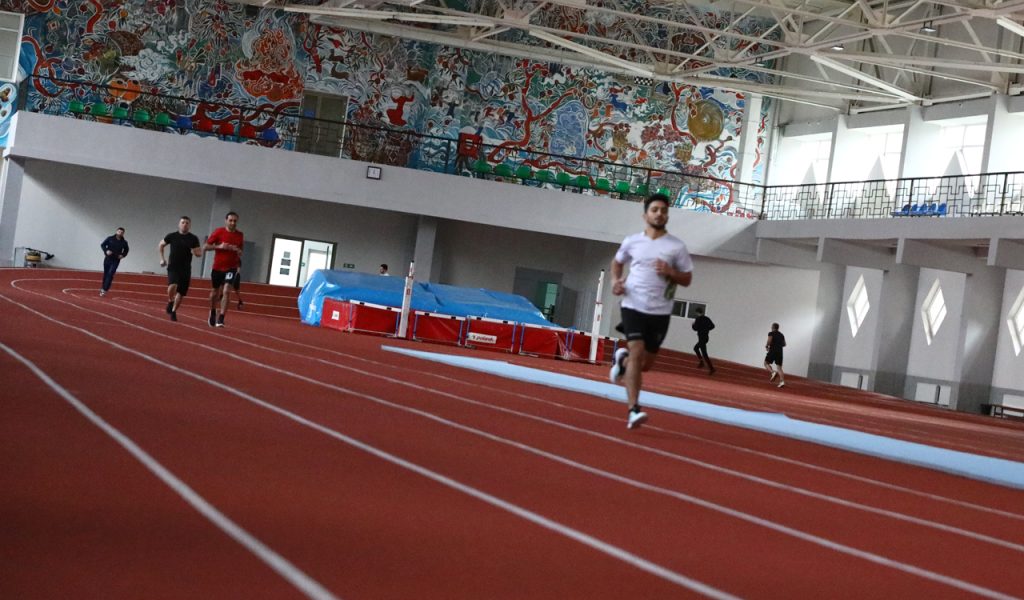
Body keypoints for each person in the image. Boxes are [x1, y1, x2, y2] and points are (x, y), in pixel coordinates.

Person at [609, 193, 694, 430]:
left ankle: (623, 361)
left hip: (660, 311)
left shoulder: (676, 247)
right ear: (645, 215)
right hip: (633, 305)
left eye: (663, 210)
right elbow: (617, 262)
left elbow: (687, 279)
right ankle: (634, 410)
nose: (659, 214)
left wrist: (671, 272)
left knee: (645, 364)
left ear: (667, 215)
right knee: (637, 352)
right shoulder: (632, 241)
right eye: (655, 210)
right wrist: (615, 281)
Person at [203, 211, 244, 327]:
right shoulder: (219, 232)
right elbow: (205, 247)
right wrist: (219, 246)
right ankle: (212, 311)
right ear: (226, 221)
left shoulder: (240, 235)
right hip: (217, 267)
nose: (233, 223)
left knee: (226, 290)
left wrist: (237, 250)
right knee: (214, 292)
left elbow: (241, 251)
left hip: (231, 267)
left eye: (235, 221)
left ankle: (221, 318)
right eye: (230, 220)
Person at [158, 216, 202, 321]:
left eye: (187, 223)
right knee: (173, 285)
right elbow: (161, 245)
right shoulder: (172, 236)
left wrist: (195, 252)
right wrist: (162, 259)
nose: (185, 224)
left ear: (189, 225)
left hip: (186, 268)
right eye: (183, 222)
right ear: (179, 224)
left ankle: (173, 311)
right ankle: (170, 300)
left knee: (181, 292)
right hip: (173, 266)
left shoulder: (193, 238)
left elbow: (199, 253)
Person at [99, 227, 129, 296]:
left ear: (123, 234)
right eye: (119, 231)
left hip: (116, 260)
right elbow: (103, 245)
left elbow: (126, 250)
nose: (120, 233)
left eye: (121, 232)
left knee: (110, 273)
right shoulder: (110, 238)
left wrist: (122, 255)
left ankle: (104, 289)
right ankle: (103, 288)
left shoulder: (124, 242)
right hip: (108, 258)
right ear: (116, 231)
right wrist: (106, 251)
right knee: (106, 274)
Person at [691, 307, 716, 375]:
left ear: (697, 312)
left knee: (704, 354)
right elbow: (713, 326)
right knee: (696, 348)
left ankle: (712, 368)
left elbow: (695, 328)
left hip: (701, 338)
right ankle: (701, 362)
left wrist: (693, 325)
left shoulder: (698, 319)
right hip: (706, 337)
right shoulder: (707, 318)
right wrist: (706, 329)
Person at [764, 322, 787, 388]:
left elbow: (769, 341)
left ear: (773, 327)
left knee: (766, 363)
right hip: (780, 352)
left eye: (771, 327)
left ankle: (772, 372)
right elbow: (784, 344)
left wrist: (767, 346)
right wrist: (778, 344)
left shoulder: (771, 333)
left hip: (773, 351)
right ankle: (782, 382)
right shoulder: (781, 335)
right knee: (779, 367)